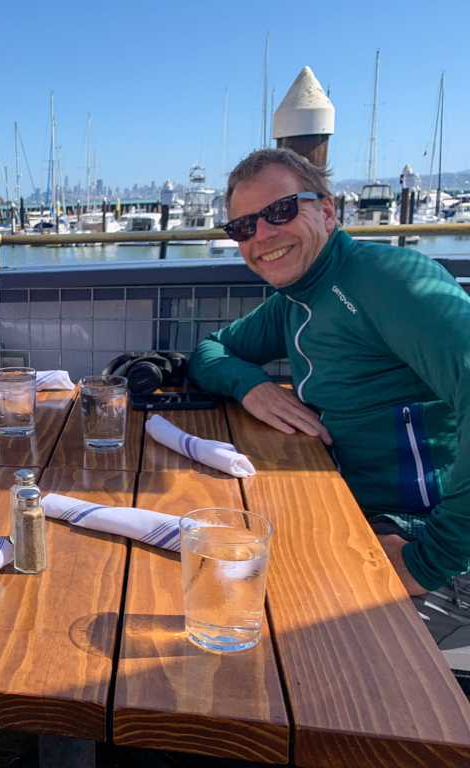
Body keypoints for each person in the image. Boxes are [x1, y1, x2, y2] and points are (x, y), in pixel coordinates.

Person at [188, 148, 470, 686]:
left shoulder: (388, 279)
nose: (262, 236)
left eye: (280, 211)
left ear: (329, 212)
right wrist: (251, 387)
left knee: (272, 670)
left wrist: (430, 560)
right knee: (208, 577)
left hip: (425, 540)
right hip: (344, 515)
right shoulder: (298, 297)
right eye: (244, 225)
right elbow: (210, 351)